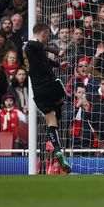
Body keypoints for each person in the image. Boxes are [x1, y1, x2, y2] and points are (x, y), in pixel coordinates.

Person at [23, 23, 71, 173]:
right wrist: (58, 52)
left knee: (51, 120)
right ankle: (62, 105)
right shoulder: (31, 44)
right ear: (42, 33)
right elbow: (43, 48)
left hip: (38, 93)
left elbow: (45, 60)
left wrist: (58, 64)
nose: (48, 37)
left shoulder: (32, 51)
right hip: (49, 86)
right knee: (65, 95)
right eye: (48, 34)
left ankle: (57, 150)